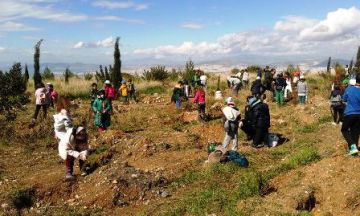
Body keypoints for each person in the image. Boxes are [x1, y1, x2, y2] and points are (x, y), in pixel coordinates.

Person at [341, 73, 360, 155]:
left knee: (344, 130)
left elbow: (344, 99)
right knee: (355, 131)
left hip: (349, 113)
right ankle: (354, 151)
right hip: (359, 114)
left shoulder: (349, 89)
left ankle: (352, 146)